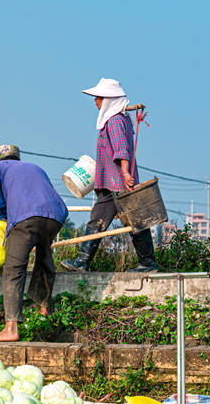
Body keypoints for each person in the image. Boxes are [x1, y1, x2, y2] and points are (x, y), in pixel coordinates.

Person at [62, 78, 157, 273]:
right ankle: (84, 262)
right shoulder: (121, 119)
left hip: (117, 181)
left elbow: (121, 150)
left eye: (99, 97)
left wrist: (124, 173)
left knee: (134, 221)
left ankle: (147, 264)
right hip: (111, 182)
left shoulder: (114, 121)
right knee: (105, 220)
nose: (95, 101)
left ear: (108, 100)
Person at [0, 145, 68, 342]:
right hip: (56, 216)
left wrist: (5, 218)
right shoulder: (35, 167)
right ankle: (43, 307)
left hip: (26, 217)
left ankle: (11, 328)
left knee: (13, 269)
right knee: (44, 257)